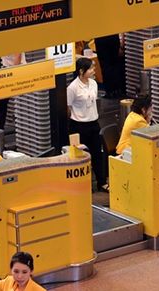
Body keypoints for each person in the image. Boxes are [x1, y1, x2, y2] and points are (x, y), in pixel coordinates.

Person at [67, 57, 106, 192]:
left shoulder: (94, 83)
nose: (93, 70)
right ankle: (84, 186)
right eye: (90, 68)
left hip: (93, 123)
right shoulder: (72, 88)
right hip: (78, 126)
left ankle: (101, 182)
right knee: (81, 157)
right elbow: (68, 107)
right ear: (81, 71)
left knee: (97, 154)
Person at [0, 54, 25, 130]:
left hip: (17, 70)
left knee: (20, 102)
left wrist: (14, 74)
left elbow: (18, 56)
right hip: (6, 70)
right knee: (2, 102)